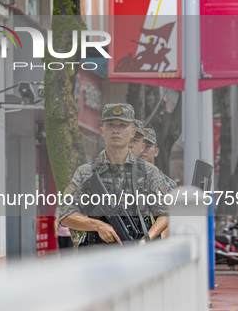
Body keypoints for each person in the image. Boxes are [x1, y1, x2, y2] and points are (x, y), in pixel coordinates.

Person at [59, 103, 170, 246]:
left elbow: (166, 213)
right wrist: (98, 225)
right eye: (110, 125)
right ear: (101, 131)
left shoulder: (148, 172)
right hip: (97, 255)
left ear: (133, 132)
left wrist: (145, 240)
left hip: (136, 251)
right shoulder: (86, 172)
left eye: (123, 125)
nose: (116, 130)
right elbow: (66, 214)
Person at [140, 127, 177, 239]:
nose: (143, 150)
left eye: (148, 146)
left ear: (156, 152)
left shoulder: (169, 183)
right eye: (141, 145)